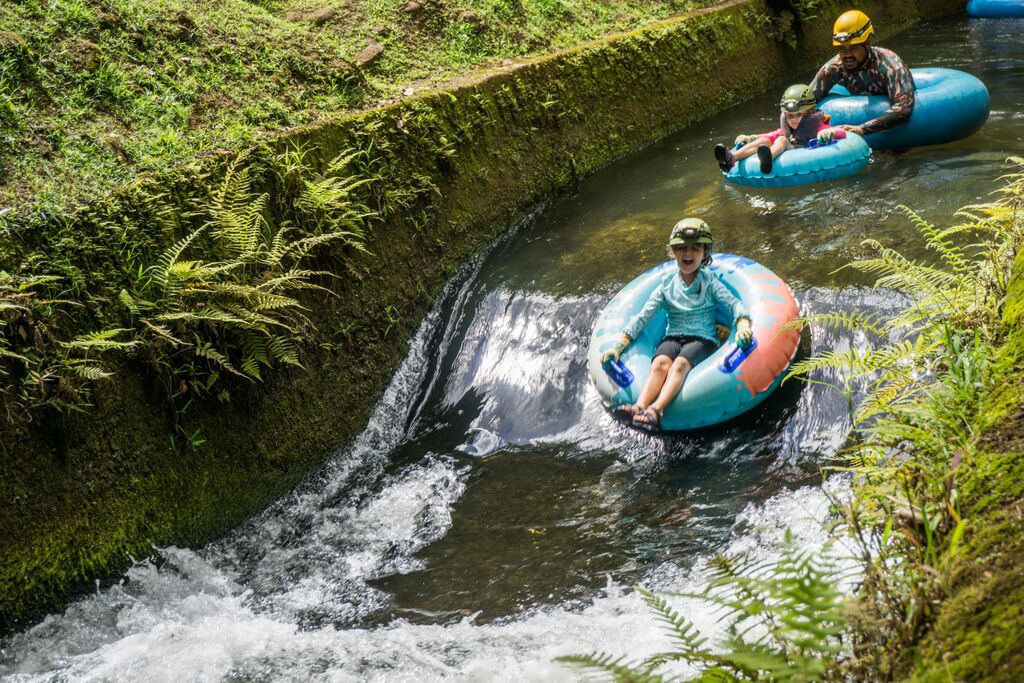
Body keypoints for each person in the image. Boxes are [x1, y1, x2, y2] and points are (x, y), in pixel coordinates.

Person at [600, 218, 753, 430]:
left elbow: (735, 305)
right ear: (673, 252)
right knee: (660, 364)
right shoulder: (666, 285)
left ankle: (657, 410)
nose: (688, 254)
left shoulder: (710, 283)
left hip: (702, 339)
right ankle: (639, 406)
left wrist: (743, 327)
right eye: (681, 248)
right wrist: (618, 346)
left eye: (695, 248)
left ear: (705, 253)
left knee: (679, 365)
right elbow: (643, 317)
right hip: (673, 337)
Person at [809, 9, 915, 137]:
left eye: (853, 48)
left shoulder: (890, 66)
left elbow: (904, 107)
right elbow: (806, 101)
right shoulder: (834, 68)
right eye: (842, 49)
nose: (847, 55)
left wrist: (863, 129)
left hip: (896, 126)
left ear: (867, 42)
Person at [713, 84, 847, 175]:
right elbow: (771, 135)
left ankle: (768, 158)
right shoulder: (787, 129)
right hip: (788, 151)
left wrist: (829, 132)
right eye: (789, 116)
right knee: (765, 140)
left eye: (798, 115)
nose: (793, 120)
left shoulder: (818, 127)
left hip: (802, 154)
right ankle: (731, 158)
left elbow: (841, 133)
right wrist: (751, 137)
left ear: (810, 112)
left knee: (782, 140)